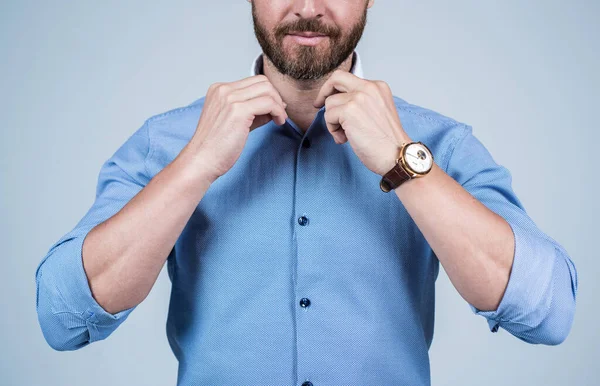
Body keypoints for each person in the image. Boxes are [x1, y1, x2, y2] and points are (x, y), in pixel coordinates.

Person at [34, 1, 578, 385]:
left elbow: (547, 310)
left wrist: (403, 163)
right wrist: (197, 165)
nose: (308, 7)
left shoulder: (436, 145)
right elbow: (62, 317)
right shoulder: (168, 143)